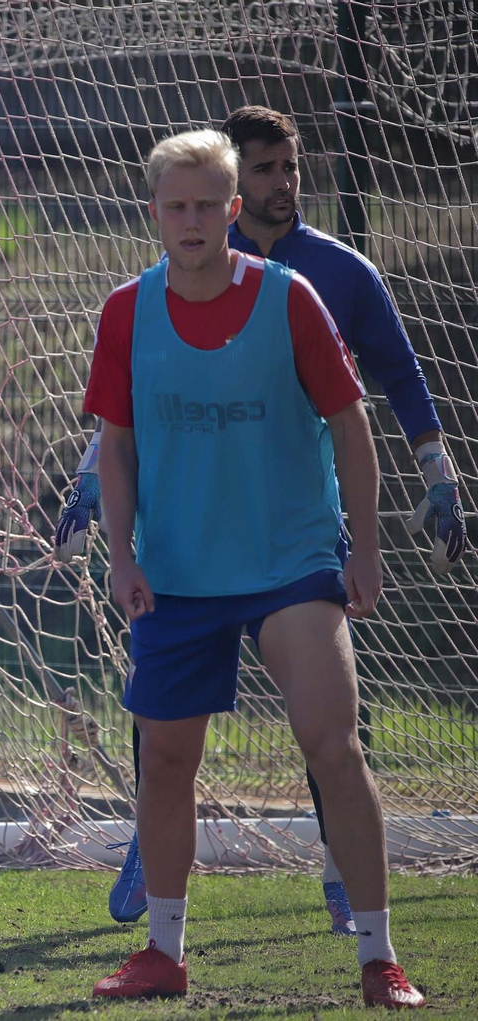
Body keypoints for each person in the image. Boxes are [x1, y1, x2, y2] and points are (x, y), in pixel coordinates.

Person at [57, 105, 467, 933]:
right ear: (158, 215)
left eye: (210, 204)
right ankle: (161, 916)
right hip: (181, 562)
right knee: (166, 754)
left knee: (331, 737)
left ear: (229, 206)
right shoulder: (130, 308)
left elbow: (378, 390)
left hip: (293, 553)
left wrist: (428, 473)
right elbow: (119, 431)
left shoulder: (323, 282)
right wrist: (109, 523)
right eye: (179, 206)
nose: (196, 218)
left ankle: (363, 919)